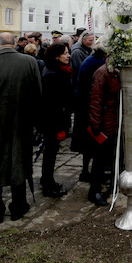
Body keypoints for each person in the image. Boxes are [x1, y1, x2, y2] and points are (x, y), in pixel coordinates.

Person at [0, 32, 42, 222]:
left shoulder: (28, 62)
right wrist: (36, 123)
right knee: (19, 162)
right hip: (21, 122)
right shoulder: (29, 62)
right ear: (14, 42)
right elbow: (37, 95)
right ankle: (18, 206)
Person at [40, 43, 74, 197]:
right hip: (53, 121)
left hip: (56, 119)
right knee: (50, 152)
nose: (68, 56)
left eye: (68, 53)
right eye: (65, 53)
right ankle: (47, 184)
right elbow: (52, 103)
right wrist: (59, 126)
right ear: (56, 56)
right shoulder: (53, 74)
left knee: (51, 151)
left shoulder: (59, 70)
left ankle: (47, 180)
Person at [71, 37, 107, 181]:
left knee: (88, 143)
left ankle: (86, 171)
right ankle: (90, 173)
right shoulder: (97, 63)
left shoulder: (91, 59)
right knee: (92, 142)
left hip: (84, 106)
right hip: (89, 108)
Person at [87, 62, 121, 206]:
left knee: (115, 156)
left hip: (116, 120)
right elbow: (96, 100)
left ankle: (115, 185)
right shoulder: (102, 72)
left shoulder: (119, 71)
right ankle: (94, 191)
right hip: (105, 123)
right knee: (99, 159)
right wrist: (96, 125)